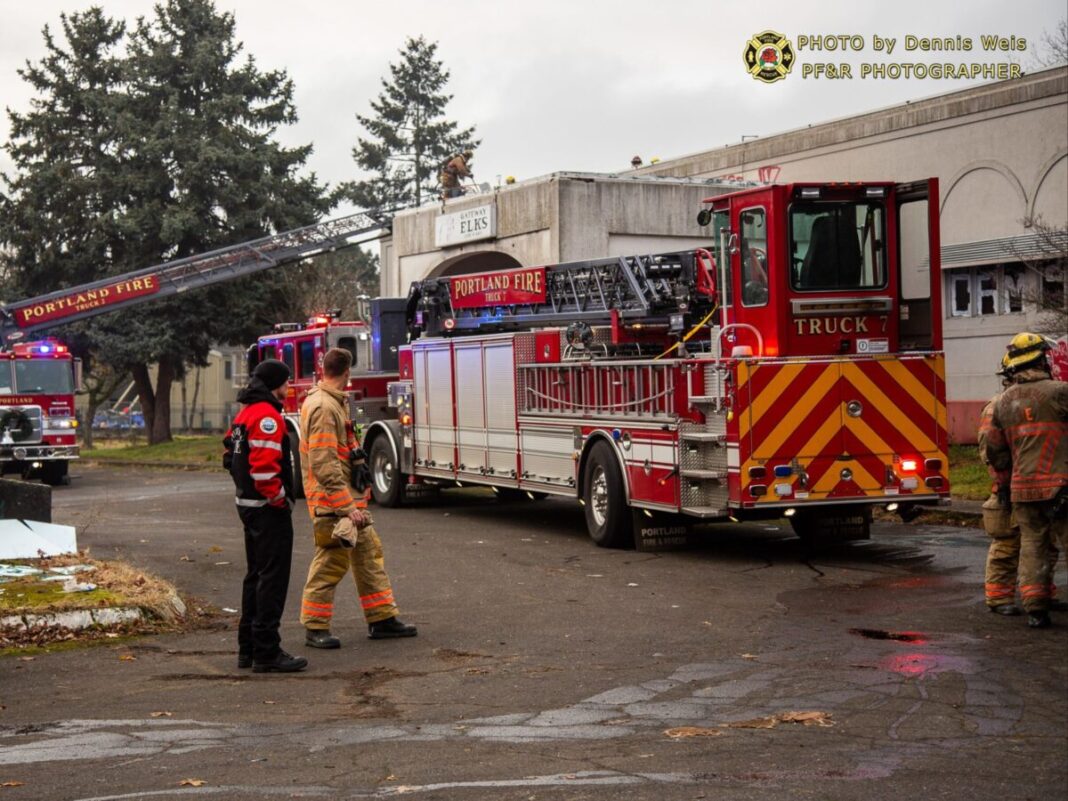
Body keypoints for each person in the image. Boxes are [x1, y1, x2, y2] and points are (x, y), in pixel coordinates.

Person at [299, 347, 417, 648]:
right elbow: (323, 463)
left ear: (324, 370)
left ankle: (382, 619)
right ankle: (315, 627)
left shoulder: (332, 402)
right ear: (348, 373)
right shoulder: (325, 407)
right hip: (334, 504)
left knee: (367, 557)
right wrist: (345, 506)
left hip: (346, 502)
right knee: (330, 562)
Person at [225, 359, 308, 673]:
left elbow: (227, 453)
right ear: (276, 384)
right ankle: (267, 651)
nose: (289, 388)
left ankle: (248, 648)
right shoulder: (267, 416)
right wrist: (280, 499)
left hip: (248, 506)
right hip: (267, 510)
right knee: (272, 581)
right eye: (287, 382)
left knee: (255, 577)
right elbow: (264, 469)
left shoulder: (245, 412)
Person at [985, 333, 1068, 629]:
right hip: (1061, 487)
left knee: (1032, 547)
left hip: (1023, 491)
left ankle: (1036, 608)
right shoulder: (1060, 392)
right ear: (1041, 358)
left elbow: (996, 451)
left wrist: (1006, 486)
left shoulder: (1003, 402)